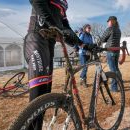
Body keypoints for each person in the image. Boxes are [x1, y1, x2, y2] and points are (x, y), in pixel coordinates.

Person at [24, 0, 96, 129]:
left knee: (45, 94)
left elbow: (65, 28)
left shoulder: (63, 3)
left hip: (49, 44)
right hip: (36, 39)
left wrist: (82, 44)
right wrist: (53, 26)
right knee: (38, 95)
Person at [99, 16, 122, 92]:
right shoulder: (118, 30)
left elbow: (102, 38)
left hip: (110, 51)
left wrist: (97, 45)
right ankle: (120, 83)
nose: (108, 23)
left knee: (113, 70)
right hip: (117, 51)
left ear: (112, 21)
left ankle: (114, 88)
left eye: (108, 21)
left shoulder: (110, 29)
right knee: (116, 68)